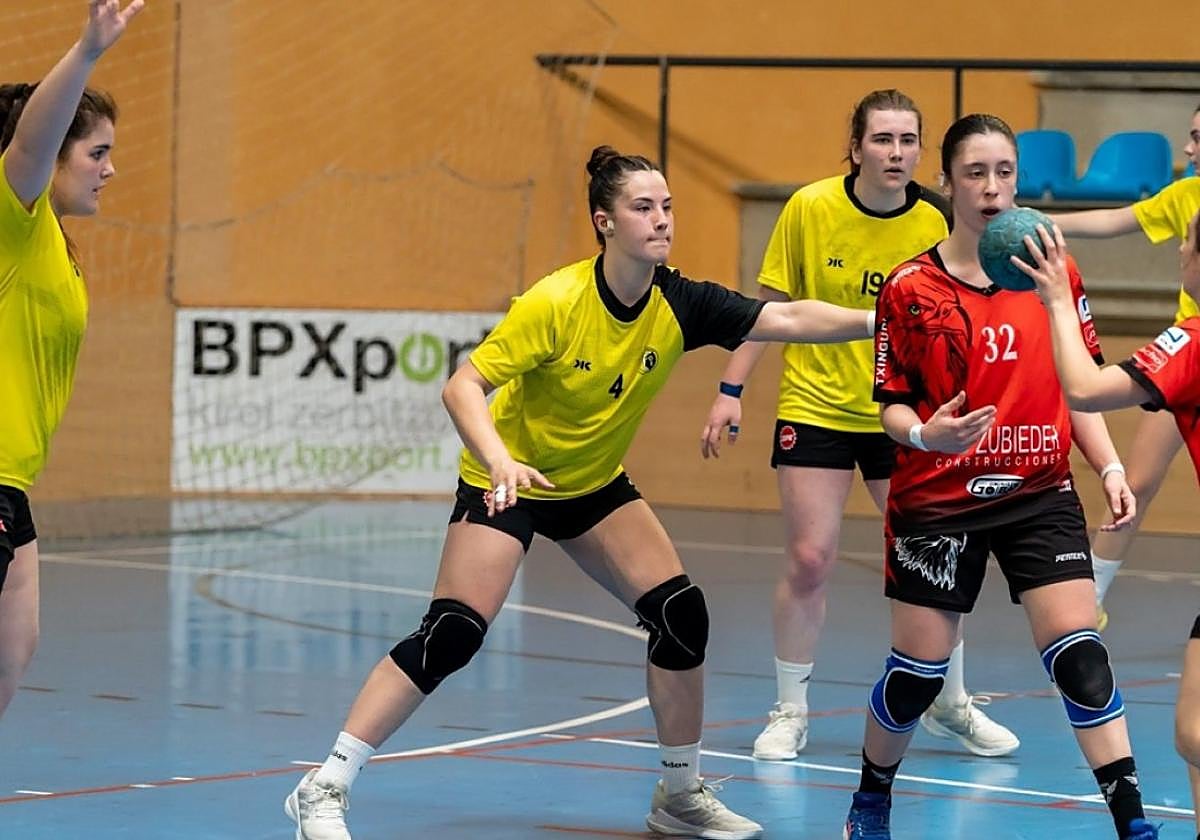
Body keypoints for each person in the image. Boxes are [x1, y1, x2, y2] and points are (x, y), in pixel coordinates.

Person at [285, 144, 882, 840]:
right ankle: (324, 786)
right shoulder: (556, 302)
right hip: (510, 481)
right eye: (643, 207)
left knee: (681, 616)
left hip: (592, 485)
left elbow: (785, 320)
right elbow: (463, 386)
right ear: (605, 222)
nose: (662, 220)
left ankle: (679, 795)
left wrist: (882, 318)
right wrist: (500, 460)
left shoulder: (679, 302)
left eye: (667, 207)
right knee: (452, 633)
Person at [842, 114, 1157, 840]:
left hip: (1038, 490)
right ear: (947, 183)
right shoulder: (911, 287)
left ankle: (1134, 825)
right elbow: (890, 405)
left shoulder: (1055, 272)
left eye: (1005, 172)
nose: (991, 188)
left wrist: (1110, 466)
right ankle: (871, 799)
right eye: (975, 173)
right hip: (938, 500)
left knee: (1082, 658)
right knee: (917, 676)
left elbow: (1080, 387)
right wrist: (926, 433)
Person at [699, 89, 1018, 761]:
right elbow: (770, 306)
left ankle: (950, 701)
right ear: (855, 147)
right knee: (810, 559)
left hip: (902, 412)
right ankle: (790, 711)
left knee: (933, 555)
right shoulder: (810, 208)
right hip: (815, 405)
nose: (896, 152)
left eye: (908, 140)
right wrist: (731, 387)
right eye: (882, 139)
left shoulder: (936, 218)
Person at [1021, 211, 1200, 840]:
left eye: (1188, 242)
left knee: (1194, 732)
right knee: (1193, 734)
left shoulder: (1191, 341)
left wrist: (1056, 301)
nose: (1179, 251)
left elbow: (1085, 388)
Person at [0, 0, 143, 723]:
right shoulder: (14, 218)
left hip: (13, 484)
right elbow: (30, 145)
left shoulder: (51, 240)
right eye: (96, 153)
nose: (110, 169)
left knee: (14, 647)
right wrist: (88, 50)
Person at [1048, 106, 1200, 632]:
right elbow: (1116, 220)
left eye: (1197, 137)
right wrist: (1040, 221)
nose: (1188, 149)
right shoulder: (1186, 195)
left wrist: (1056, 302)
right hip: (1180, 371)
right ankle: (1089, 599)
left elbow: (1083, 389)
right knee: (1135, 483)